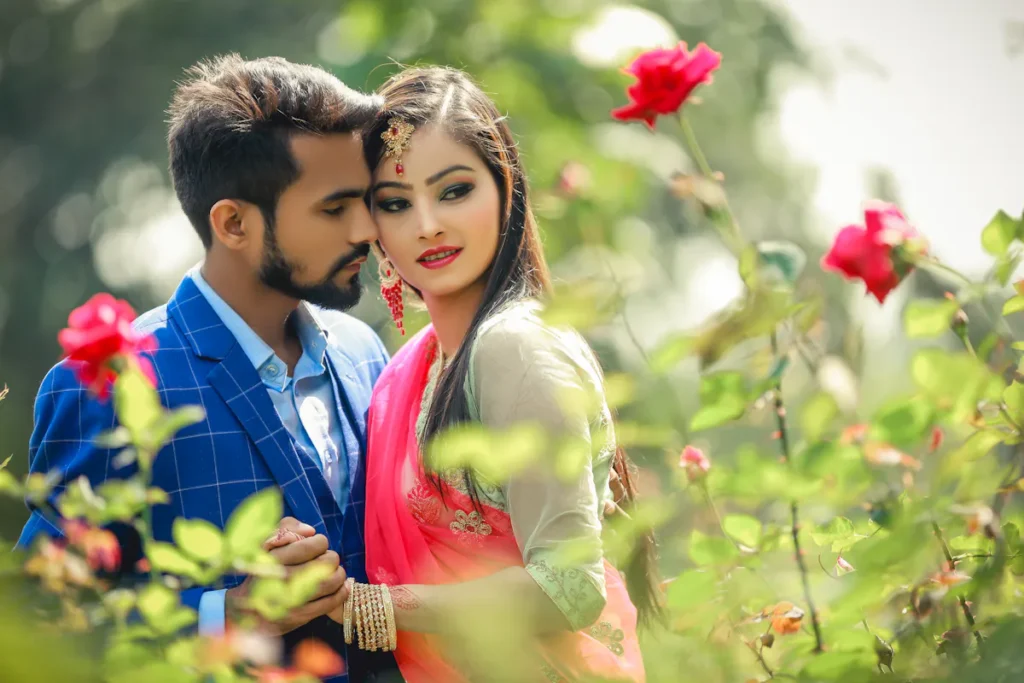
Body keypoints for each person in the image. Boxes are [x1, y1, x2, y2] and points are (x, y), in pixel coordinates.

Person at [17, 54, 399, 683]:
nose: (367, 229)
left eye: (365, 201)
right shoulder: (113, 379)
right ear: (234, 223)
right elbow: (41, 619)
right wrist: (229, 613)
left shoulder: (363, 351)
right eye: (335, 209)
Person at [332, 66, 659, 682]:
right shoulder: (420, 365)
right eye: (396, 205)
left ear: (505, 189)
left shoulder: (515, 346)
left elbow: (569, 590)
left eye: (453, 191)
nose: (427, 223)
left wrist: (381, 604)